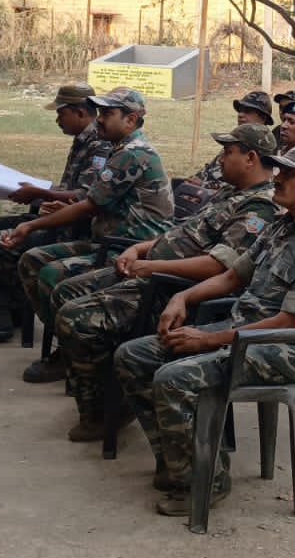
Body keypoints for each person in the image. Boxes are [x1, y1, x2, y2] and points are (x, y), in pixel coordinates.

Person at [113, 144, 295, 516]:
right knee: (133, 355)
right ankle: (183, 462)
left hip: (278, 349)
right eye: (279, 170)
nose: (278, 178)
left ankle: (208, 481)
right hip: (239, 331)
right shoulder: (282, 225)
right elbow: (231, 277)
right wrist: (183, 298)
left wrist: (207, 339)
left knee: (173, 378)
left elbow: (290, 322)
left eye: (289, 173)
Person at [53, 123, 280, 441]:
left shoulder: (259, 207)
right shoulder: (231, 193)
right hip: (154, 274)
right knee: (65, 290)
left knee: (75, 318)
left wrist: (152, 266)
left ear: (251, 157)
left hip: (174, 288)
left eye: (228, 152)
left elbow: (218, 266)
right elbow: (182, 232)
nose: (220, 158)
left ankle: (104, 411)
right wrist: (139, 249)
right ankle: (107, 389)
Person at [12, 87, 175, 383]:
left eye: (108, 113)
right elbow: (96, 202)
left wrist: (31, 225)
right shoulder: (120, 149)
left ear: (131, 120)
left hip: (129, 249)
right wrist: (66, 207)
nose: (99, 119)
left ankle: (76, 353)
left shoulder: (134, 153)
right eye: (100, 112)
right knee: (32, 260)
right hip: (107, 242)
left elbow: (90, 205)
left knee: (51, 274)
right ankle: (70, 346)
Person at [0, 83, 112, 314]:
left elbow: (85, 195)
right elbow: (71, 189)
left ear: (80, 113)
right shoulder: (83, 140)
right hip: (61, 216)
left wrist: (41, 193)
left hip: (75, 228)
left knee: (3, 239)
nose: (57, 120)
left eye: (61, 114)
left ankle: (1, 311)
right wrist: (38, 193)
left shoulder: (99, 144)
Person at [186, 90, 272, 190]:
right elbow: (207, 172)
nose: (240, 114)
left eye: (247, 111)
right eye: (240, 110)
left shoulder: (266, 149)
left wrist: (205, 186)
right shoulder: (234, 143)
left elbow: (250, 185)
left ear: (263, 117)